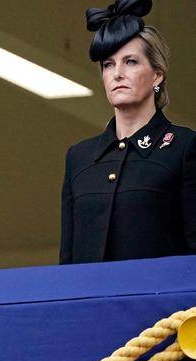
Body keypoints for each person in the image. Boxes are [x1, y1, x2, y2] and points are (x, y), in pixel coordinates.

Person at [60, 0, 196, 264]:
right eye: (108, 64)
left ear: (157, 75)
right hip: (93, 304)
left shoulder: (184, 147)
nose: (117, 73)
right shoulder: (79, 157)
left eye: (130, 62)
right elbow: (68, 262)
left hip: (164, 305)